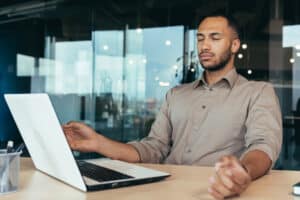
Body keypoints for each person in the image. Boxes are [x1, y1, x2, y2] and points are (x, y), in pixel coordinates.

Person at [63, 14, 282, 200]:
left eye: (215, 38)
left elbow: (263, 146)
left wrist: (242, 172)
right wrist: (98, 143)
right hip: (164, 191)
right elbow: (153, 148)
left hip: (216, 193)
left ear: (234, 45)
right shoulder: (176, 94)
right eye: (200, 39)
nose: (205, 46)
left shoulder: (258, 92)